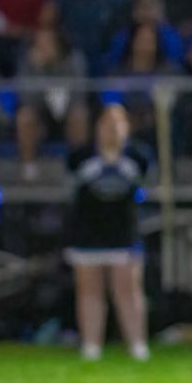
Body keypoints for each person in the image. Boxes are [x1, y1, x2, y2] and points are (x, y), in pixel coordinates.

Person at [65, 105, 151, 361]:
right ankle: (91, 345)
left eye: (118, 124)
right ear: (98, 128)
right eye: (107, 124)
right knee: (89, 290)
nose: (112, 130)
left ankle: (137, 343)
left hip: (123, 232)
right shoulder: (81, 158)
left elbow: (143, 191)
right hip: (89, 231)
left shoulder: (138, 158)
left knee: (128, 288)